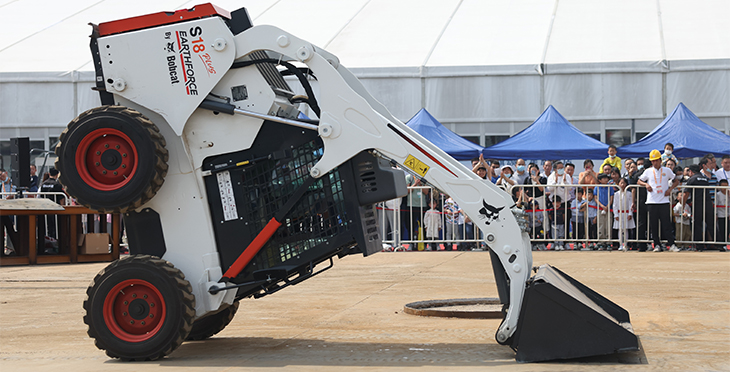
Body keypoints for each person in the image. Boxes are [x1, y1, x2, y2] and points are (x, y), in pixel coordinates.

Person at [638, 149, 679, 252]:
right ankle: (656, 244)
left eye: (656, 160)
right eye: (652, 161)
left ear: (660, 160)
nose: (654, 163)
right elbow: (639, 181)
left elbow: (676, 180)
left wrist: (670, 189)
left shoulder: (667, 170)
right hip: (652, 201)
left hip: (664, 201)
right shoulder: (647, 171)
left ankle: (671, 244)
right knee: (653, 224)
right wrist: (646, 184)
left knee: (666, 224)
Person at [685, 163, 714, 251]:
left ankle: (699, 246)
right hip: (708, 203)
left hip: (698, 204)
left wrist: (683, 205)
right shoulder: (705, 178)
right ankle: (720, 244)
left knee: (697, 225)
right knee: (711, 224)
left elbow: (686, 193)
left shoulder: (692, 179)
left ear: (691, 171)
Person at [628, 161, 649, 251]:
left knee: (641, 223)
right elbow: (633, 189)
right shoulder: (651, 174)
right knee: (650, 223)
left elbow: (633, 190)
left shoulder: (637, 175)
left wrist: (633, 202)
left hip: (640, 201)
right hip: (650, 201)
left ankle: (641, 245)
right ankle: (651, 244)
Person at [612, 177, 635, 251]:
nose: (622, 185)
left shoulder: (629, 194)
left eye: (624, 183)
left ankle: (625, 244)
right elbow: (614, 205)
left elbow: (631, 204)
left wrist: (630, 213)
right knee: (620, 229)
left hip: (626, 213)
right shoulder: (616, 194)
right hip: (619, 213)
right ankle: (620, 244)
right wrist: (615, 214)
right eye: (621, 183)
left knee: (626, 229)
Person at [594, 173, 614, 249]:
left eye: (606, 178)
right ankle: (601, 242)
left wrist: (607, 206)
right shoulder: (597, 187)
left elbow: (611, 198)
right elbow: (596, 198)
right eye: (604, 178)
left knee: (608, 225)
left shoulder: (610, 187)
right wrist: (602, 206)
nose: (606, 180)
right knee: (601, 225)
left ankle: (608, 242)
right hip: (600, 209)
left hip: (609, 209)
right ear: (600, 180)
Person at [716, 179, 729, 246]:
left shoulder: (729, 194)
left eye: (726, 186)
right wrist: (716, 214)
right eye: (723, 186)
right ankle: (722, 244)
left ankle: (726, 243)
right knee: (721, 229)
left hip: (728, 214)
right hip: (721, 214)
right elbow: (716, 205)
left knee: (728, 229)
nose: (724, 188)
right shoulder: (718, 195)